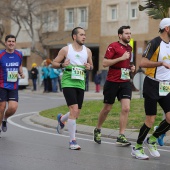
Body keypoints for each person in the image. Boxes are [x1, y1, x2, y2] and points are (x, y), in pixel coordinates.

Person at [131, 18, 170, 160]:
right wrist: (160, 63)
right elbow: (142, 62)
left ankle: (152, 139)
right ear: (167, 28)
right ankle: (137, 147)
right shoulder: (154, 43)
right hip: (152, 84)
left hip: (166, 86)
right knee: (150, 119)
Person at [93, 26, 135, 146]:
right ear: (120, 35)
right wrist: (121, 58)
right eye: (126, 33)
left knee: (126, 108)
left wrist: (131, 67)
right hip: (112, 81)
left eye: (130, 33)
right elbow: (105, 63)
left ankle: (121, 136)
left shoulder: (129, 48)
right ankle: (98, 129)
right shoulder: (113, 46)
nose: (129, 35)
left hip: (125, 81)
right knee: (107, 108)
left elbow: (127, 62)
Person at [52, 27, 93, 150]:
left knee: (76, 112)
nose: (84, 37)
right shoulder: (66, 49)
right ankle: (72, 141)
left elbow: (91, 66)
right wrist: (61, 65)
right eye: (81, 35)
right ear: (74, 36)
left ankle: (61, 119)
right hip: (68, 81)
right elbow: (54, 63)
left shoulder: (88, 51)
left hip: (80, 82)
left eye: (85, 35)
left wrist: (88, 66)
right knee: (74, 109)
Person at [0, 34, 25, 134]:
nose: (11, 43)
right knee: (1, 107)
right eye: (9, 41)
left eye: (13, 41)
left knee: (13, 108)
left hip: (13, 85)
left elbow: (19, 65)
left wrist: (21, 73)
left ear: (15, 43)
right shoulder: (1, 55)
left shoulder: (19, 54)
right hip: (2, 85)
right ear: (5, 43)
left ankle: (4, 119)